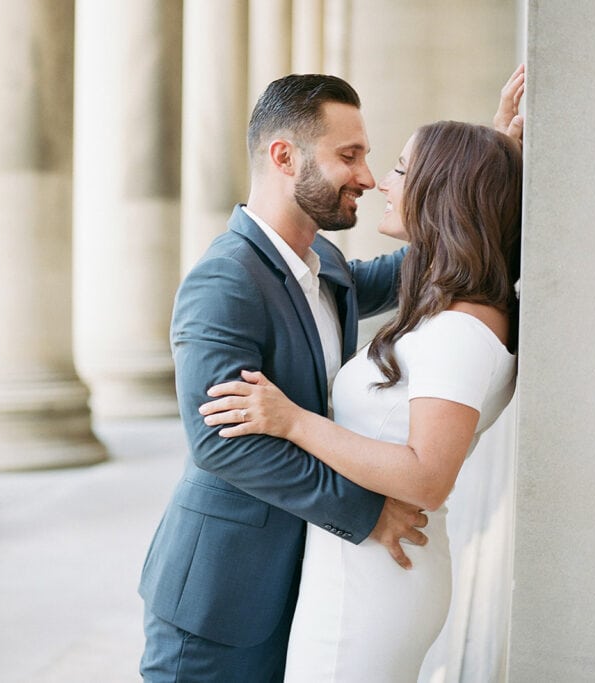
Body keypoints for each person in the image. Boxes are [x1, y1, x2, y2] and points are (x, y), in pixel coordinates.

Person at [199, 119, 523, 680]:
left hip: (374, 579)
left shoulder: (457, 333)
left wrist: (293, 421)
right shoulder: (452, 307)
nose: (381, 182)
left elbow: (428, 476)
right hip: (363, 569)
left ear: (440, 191)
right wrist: (495, 155)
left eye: (399, 168)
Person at [138, 74, 425, 682]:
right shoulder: (224, 281)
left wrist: (500, 158)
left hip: (294, 586)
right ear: (284, 157)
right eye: (350, 156)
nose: (369, 178)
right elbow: (222, 444)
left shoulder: (326, 265)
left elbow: (417, 267)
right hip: (219, 600)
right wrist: (365, 510)